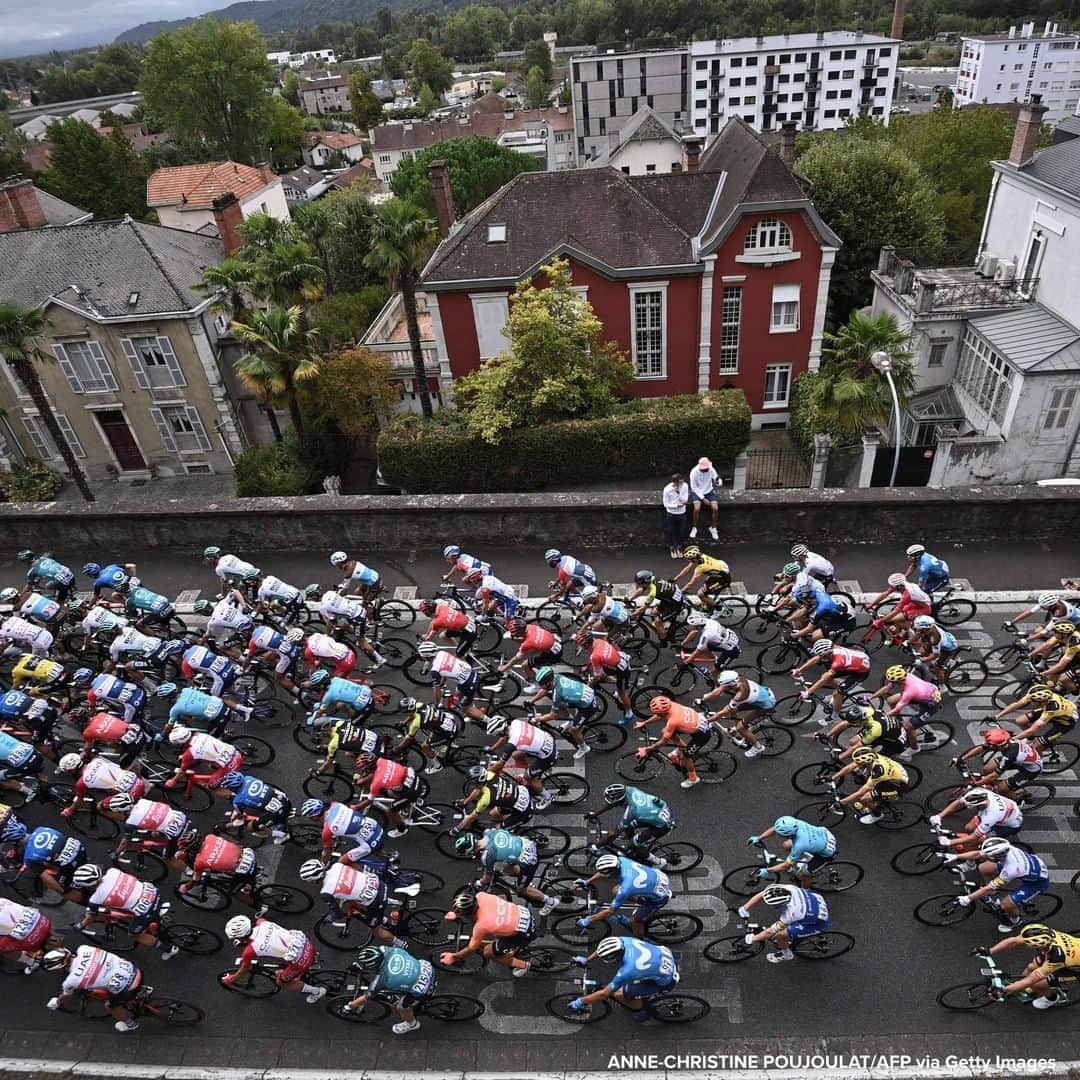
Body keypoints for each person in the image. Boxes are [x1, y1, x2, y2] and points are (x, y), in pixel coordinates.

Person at [567, 936, 679, 1019]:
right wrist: (587, 959)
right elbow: (605, 948)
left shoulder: (628, 970)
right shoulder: (624, 941)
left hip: (666, 981)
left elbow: (604, 994)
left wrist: (581, 1001)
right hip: (665, 956)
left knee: (619, 994)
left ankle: (644, 1010)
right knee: (629, 984)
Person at [221, 915, 327, 1003]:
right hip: (306, 944)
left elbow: (244, 969)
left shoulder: (249, 951)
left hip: (300, 961)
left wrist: (232, 978)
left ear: (240, 937)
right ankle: (303, 971)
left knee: (282, 982)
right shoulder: (262, 922)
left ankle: (317, 991)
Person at [42, 946, 145, 1032]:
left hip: (129, 987)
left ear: (59, 968)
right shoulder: (83, 948)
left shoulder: (72, 980)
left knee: (110, 1006)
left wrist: (56, 1002)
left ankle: (131, 1024)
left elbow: (66, 995)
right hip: (135, 970)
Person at [454, 830, 561, 913]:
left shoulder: (487, 856)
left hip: (529, 860)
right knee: (506, 868)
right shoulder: (489, 832)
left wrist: (479, 883)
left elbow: (488, 878)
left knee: (522, 890)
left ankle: (550, 901)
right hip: (527, 844)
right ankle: (523, 878)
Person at [958, 837, 1050, 932]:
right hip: (1026, 867)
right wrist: (954, 856)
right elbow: (978, 854)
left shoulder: (1012, 870)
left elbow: (989, 887)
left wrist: (968, 898)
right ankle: (993, 892)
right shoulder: (1006, 849)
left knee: (1006, 904)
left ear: (998, 856)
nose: (988, 857)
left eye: (990, 856)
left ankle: (1015, 921)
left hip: (1036, 883)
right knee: (984, 867)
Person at [439, 887, 535, 976]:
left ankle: (523, 965)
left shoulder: (481, 926)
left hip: (524, 932)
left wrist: (454, 957)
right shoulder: (481, 895)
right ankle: (509, 948)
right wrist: (457, 914)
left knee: (488, 952)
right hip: (524, 913)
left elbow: (471, 949)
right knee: (498, 931)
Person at [980, 923, 1080, 1009]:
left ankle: (1051, 998)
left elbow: (1030, 980)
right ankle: (1019, 987)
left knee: (1036, 984)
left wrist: (1002, 990)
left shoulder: (1057, 958)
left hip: (1072, 968)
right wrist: (990, 950)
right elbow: (1014, 941)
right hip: (1066, 952)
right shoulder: (1043, 932)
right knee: (1031, 967)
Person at [342, 944, 437, 1033]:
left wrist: (349, 1006)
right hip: (427, 968)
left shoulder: (383, 979)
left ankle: (412, 1024)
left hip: (424, 987)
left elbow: (367, 997)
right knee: (400, 982)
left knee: (401, 1007)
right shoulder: (390, 950)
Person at [575, 852, 671, 938]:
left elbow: (610, 911)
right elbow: (604, 873)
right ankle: (641, 901)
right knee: (615, 890)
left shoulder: (626, 888)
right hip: (659, 877)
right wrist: (587, 881)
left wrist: (589, 919)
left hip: (660, 897)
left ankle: (640, 939)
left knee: (635, 921)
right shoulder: (621, 860)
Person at [738, 884, 830, 963]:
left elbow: (770, 932)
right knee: (784, 928)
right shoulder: (788, 888)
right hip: (815, 901)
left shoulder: (793, 913)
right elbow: (763, 894)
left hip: (818, 922)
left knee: (780, 935)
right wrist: (745, 907)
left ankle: (787, 954)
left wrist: (753, 938)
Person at [633, 695, 710, 787]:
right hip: (694, 722)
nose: (658, 715)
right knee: (665, 731)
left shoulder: (673, 721)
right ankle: (681, 747)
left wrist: (647, 749)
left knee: (686, 756)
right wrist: (644, 722)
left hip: (702, 734)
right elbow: (659, 715)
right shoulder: (672, 705)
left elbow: (663, 742)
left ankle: (693, 778)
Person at [591, 784, 673, 869]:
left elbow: (614, 834)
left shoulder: (632, 811)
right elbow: (613, 804)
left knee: (633, 844)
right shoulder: (629, 789)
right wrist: (596, 814)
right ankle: (632, 847)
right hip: (657, 811)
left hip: (662, 825)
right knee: (628, 827)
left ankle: (659, 862)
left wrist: (596, 846)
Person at [748, 816, 838, 889]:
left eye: (781, 835)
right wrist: (760, 837)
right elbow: (775, 829)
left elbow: (786, 865)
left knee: (802, 875)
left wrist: (768, 870)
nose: (778, 835)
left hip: (826, 851)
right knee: (786, 845)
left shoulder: (799, 845)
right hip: (822, 835)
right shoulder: (793, 822)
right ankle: (801, 857)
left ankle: (805, 891)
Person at [702, 670, 776, 758]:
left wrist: (707, 721)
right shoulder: (739, 679)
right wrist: (702, 699)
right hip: (762, 697)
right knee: (733, 710)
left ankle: (758, 747)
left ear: (730, 684)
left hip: (766, 706)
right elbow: (718, 691)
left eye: (725, 685)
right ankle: (737, 731)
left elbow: (723, 713)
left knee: (740, 727)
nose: (722, 687)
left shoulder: (740, 695)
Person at [832, 746, 910, 824]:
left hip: (897, 785)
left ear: (867, 763)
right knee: (861, 777)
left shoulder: (878, 772)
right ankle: (876, 801)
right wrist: (832, 777)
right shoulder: (873, 756)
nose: (857, 765)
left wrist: (841, 803)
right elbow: (850, 767)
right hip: (894, 773)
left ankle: (877, 814)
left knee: (864, 799)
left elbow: (860, 793)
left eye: (860, 764)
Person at [688, 457, 721, 541]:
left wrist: (718, 482)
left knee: (715, 508)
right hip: (697, 492)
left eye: (707, 468)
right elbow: (694, 487)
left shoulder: (711, 469)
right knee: (696, 509)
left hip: (709, 491)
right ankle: (694, 527)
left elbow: (716, 478)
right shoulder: (693, 472)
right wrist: (703, 499)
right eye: (705, 469)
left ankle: (713, 528)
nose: (707, 469)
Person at [661, 474, 689, 558]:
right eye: (679, 483)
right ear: (675, 482)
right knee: (671, 531)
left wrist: (678, 493)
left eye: (682, 482)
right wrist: (676, 506)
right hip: (671, 513)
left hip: (682, 513)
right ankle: (672, 547)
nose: (681, 484)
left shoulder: (685, 486)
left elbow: (685, 500)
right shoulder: (667, 489)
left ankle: (679, 547)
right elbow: (665, 504)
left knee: (682, 530)